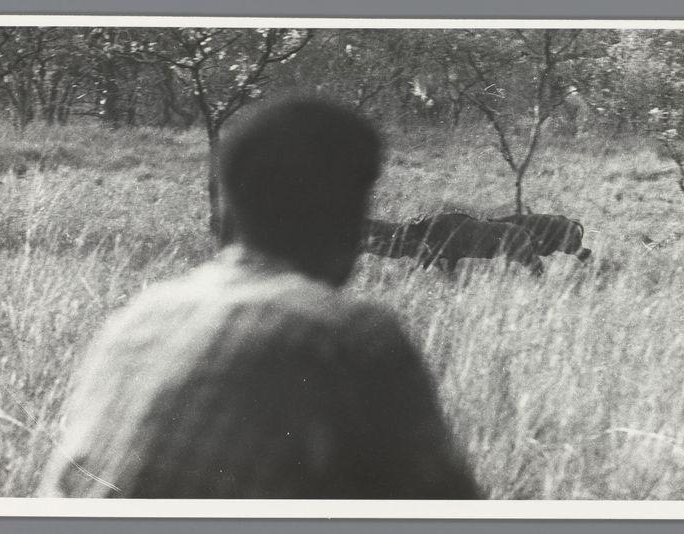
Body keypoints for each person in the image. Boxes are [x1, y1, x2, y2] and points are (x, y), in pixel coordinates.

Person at [38, 98, 478, 499]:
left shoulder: (134, 319)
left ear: (225, 207)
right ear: (353, 215)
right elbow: (446, 509)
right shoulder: (349, 334)